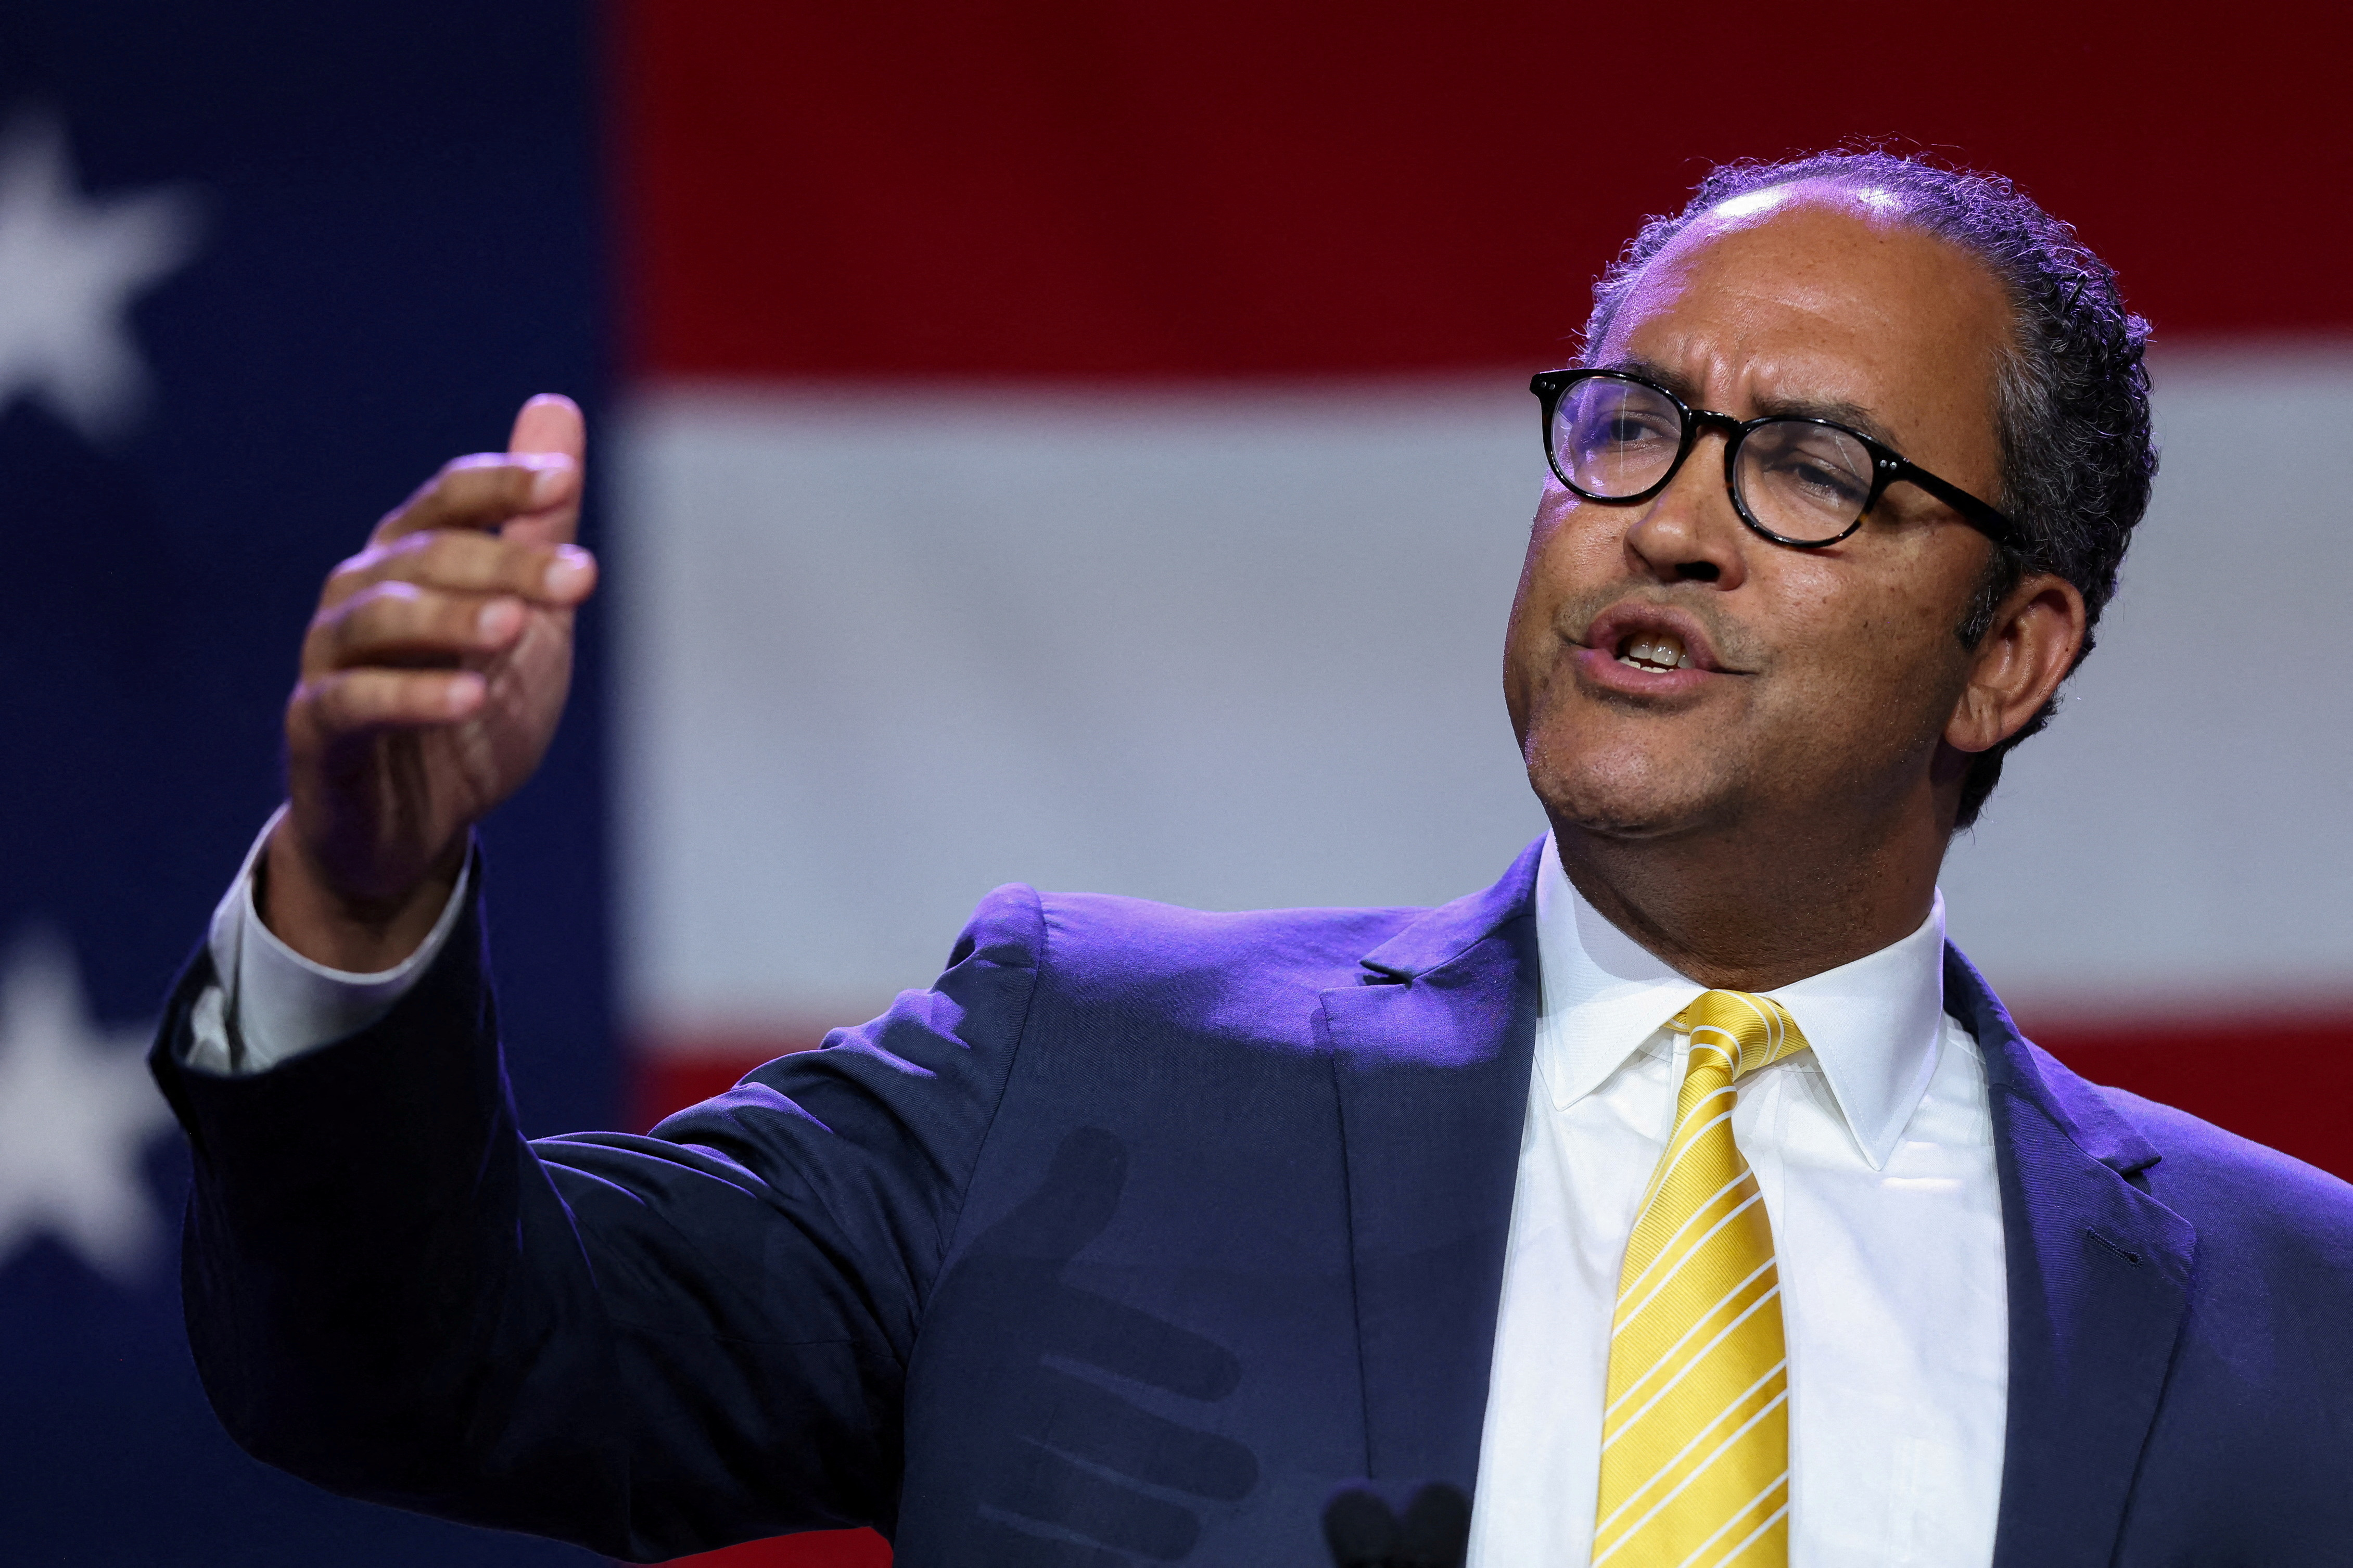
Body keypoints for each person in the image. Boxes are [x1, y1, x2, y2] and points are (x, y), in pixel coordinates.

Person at [149, 151, 2353, 1568]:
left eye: (1808, 466)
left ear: (2011, 653)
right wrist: (363, 897)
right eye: (1629, 423)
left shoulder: (2292, 1319)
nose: (1671, 520)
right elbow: (436, 1357)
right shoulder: (1080, 1071)